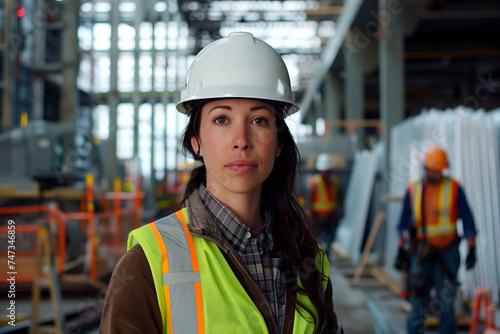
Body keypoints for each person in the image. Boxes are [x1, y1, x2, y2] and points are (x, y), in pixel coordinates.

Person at [100, 32, 342, 334]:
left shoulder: (308, 259)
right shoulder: (148, 263)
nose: (241, 141)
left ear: (278, 142)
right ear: (196, 141)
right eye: (221, 120)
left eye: (258, 120)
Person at [394, 145, 477, 334]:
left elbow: (468, 221)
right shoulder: (413, 189)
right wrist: (401, 252)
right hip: (421, 255)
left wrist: (472, 250)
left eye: (440, 171)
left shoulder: (454, 188)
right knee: (417, 304)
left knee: (446, 306)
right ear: (426, 169)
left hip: (447, 254)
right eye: (434, 171)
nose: (437, 174)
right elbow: (402, 225)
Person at [307, 153, 344, 258]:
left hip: (331, 217)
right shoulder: (314, 183)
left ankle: (327, 257)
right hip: (318, 218)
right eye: (323, 170)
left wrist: (341, 210)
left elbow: (340, 198)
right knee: (317, 240)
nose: (325, 173)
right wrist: (310, 215)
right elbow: (309, 201)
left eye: (326, 170)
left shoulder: (335, 182)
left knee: (329, 239)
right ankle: (318, 257)